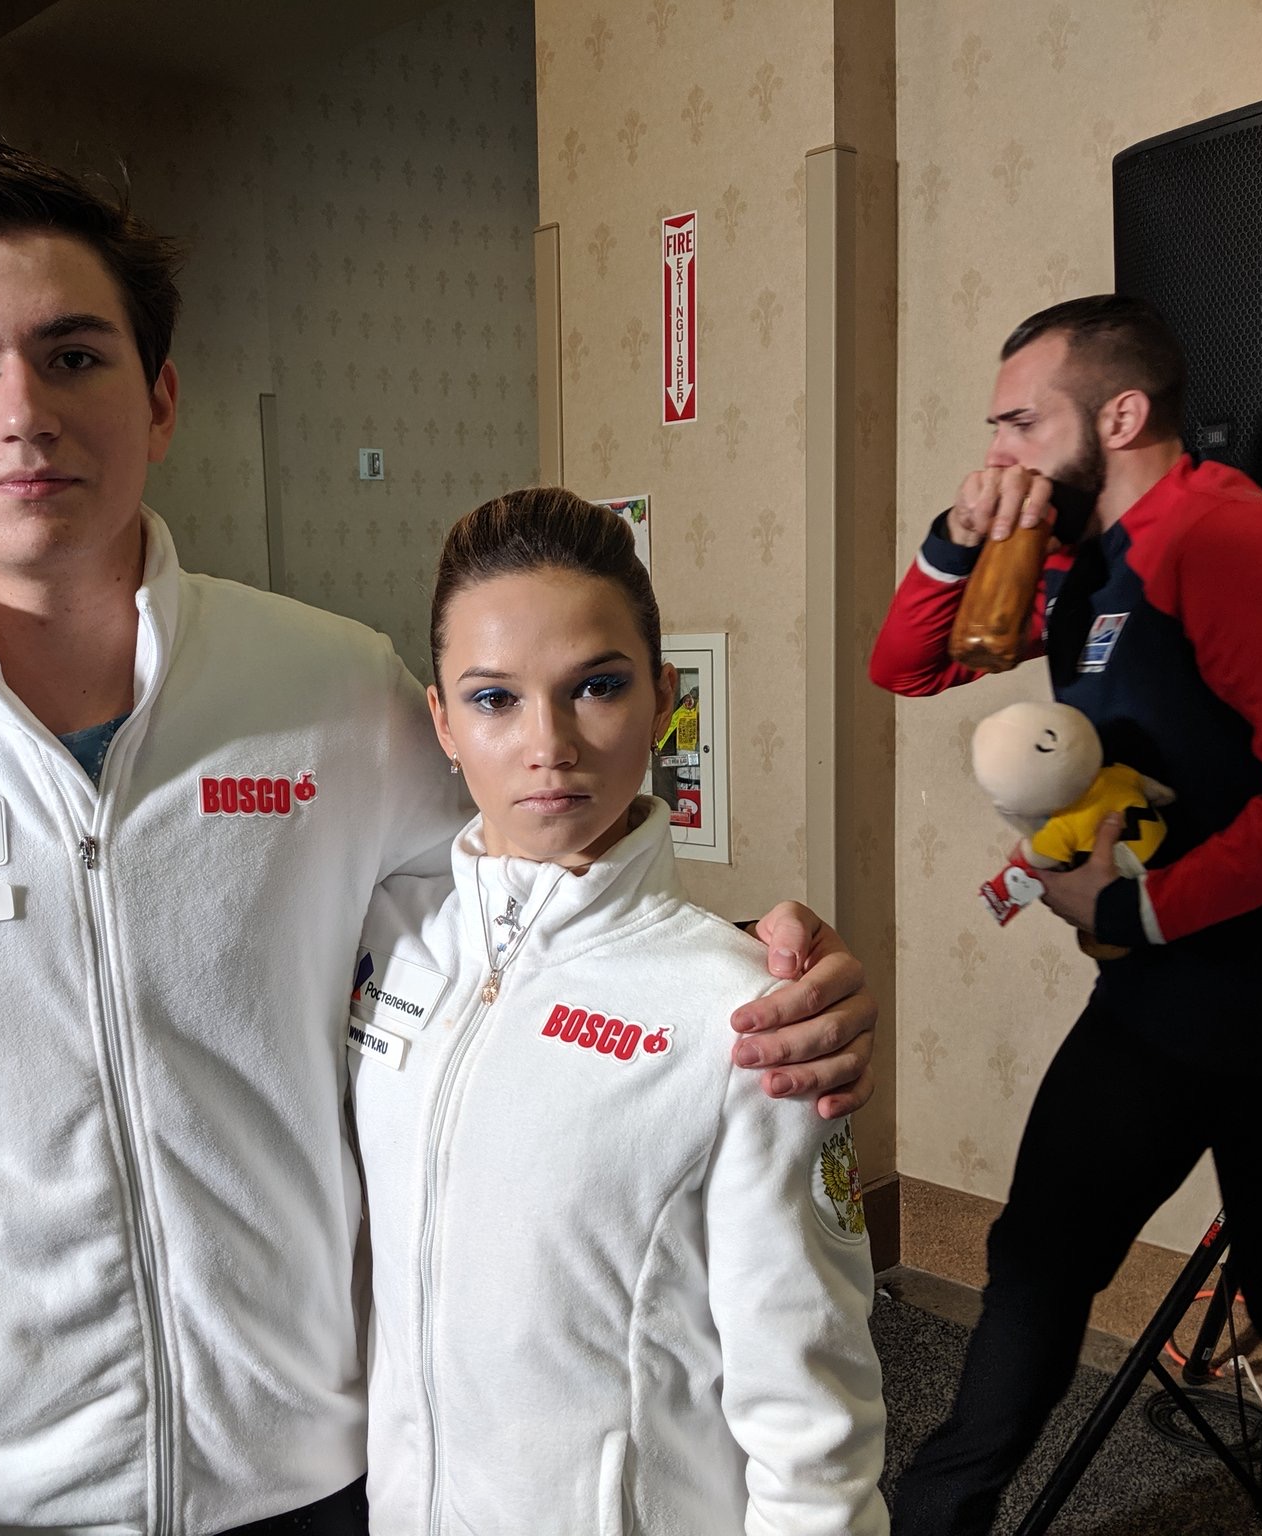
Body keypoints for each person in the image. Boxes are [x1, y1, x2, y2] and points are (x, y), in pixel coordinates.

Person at [0, 140, 879, 1536]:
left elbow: (526, 889)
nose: (23, 413)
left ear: (157, 399)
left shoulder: (332, 691)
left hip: (307, 1468)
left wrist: (739, 984)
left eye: (73, 355)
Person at [871, 294, 1262, 1532]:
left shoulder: (1228, 541)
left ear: (1120, 414)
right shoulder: (1079, 555)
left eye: (1018, 422)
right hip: (1155, 1006)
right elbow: (907, 665)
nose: (997, 451)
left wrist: (1136, 909)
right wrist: (953, 539)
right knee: (1035, 1263)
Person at [350, 488, 887, 1535]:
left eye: (595, 686)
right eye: (494, 699)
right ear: (442, 723)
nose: (548, 743)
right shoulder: (386, 936)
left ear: (662, 697)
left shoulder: (749, 1015)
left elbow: (810, 1415)